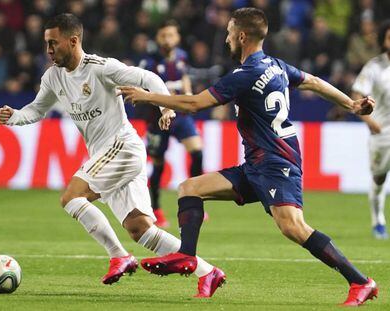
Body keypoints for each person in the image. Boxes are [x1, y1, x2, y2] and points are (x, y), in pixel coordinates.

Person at [119, 8, 378, 307]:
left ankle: (360, 281)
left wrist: (148, 96)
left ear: (241, 36)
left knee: (293, 227)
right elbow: (314, 82)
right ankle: (187, 256)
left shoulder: (244, 75)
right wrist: (351, 104)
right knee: (190, 188)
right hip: (257, 164)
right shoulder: (276, 65)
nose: (227, 39)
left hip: (276, 162)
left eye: (229, 33)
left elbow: (193, 104)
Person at [0, 13, 224, 298]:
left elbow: (149, 77)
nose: (48, 50)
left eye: (53, 43)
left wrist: (166, 108)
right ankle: (208, 271)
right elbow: (37, 109)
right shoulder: (53, 77)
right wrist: (15, 116)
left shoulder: (101, 68)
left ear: (73, 40)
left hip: (121, 146)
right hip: (109, 154)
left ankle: (119, 255)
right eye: (46, 44)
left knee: (71, 197)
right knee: (140, 229)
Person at [138, 19, 205, 228]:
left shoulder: (182, 56)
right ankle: (156, 208)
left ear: (177, 37)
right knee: (157, 165)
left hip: (181, 117)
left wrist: (187, 93)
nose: (167, 39)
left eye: (171, 35)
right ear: (158, 38)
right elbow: (144, 90)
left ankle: (194, 200)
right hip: (158, 120)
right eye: (163, 35)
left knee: (197, 151)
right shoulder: (148, 62)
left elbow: (184, 78)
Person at [352, 20, 390, 240]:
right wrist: (369, 121)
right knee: (379, 178)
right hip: (382, 133)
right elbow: (358, 94)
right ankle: (378, 221)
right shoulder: (375, 67)